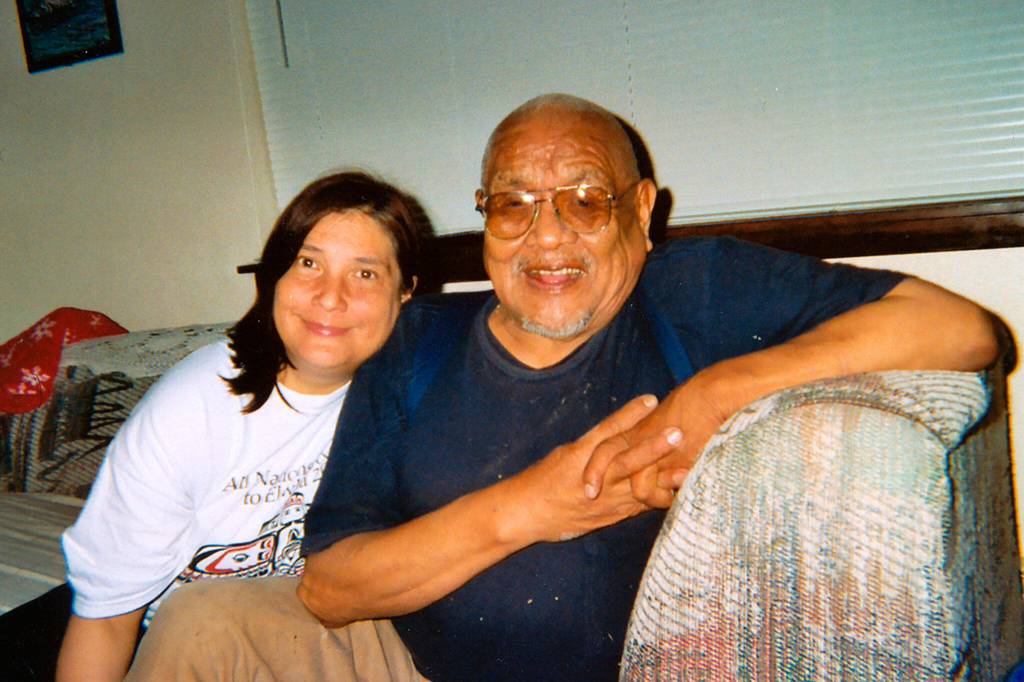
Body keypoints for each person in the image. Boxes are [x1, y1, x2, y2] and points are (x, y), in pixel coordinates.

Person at [126, 94, 997, 681]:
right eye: (514, 204)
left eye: (585, 199)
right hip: (407, 660)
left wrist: (719, 393)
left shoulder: (691, 293)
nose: (546, 236)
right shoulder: (419, 339)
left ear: (642, 210)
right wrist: (535, 506)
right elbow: (330, 586)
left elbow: (961, 329)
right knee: (201, 626)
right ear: (485, 218)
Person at [42, 171, 428, 681]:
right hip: (202, 649)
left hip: (328, 631)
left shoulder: (416, 393)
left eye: (364, 274)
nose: (329, 296)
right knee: (202, 616)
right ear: (273, 277)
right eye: (308, 263)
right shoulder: (193, 407)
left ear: (404, 293)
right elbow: (106, 620)